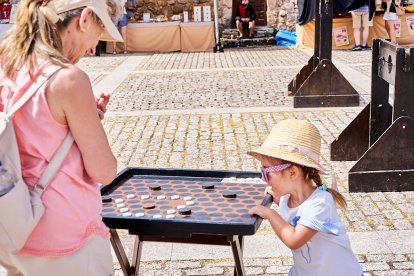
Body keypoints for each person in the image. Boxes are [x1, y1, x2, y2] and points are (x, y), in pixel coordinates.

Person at [0, 0, 122, 274]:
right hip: (67, 237)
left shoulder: (8, 63)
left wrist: (82, 116)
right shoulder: (69, 79)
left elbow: (31, 131)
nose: (93, 49)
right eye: (97, 36)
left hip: (15, 228)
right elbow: (104, 171)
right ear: (85, 18)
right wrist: (88, 119)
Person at [247, 119, 363, 276]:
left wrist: (270, 214)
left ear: (292, 172)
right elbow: (294, 210)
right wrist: (277, 200)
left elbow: (294, 240)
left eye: (266, 172)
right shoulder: (287, 200)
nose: (264, 179)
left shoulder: (321, 202)